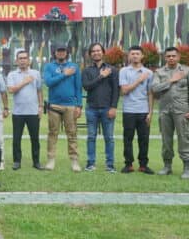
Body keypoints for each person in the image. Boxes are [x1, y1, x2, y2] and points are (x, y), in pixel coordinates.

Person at [43, 44, 83, 172]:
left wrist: (79, 105)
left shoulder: (74, 67)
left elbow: (78, 87)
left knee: (72, 134)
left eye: (63, 51)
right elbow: (48, 82)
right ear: (54, 53)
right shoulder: (49, 67)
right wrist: (64, 74)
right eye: (58, 51)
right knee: (52, 133)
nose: (61, 53)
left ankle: (74, 161)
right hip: (54, 105)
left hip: (70, 106)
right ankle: (50, 160)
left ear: (67, 53)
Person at [151, 46, 189, 179]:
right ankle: (167, 166)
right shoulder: (159, 72)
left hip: (182, 111)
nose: (171, 58)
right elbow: (155, 88)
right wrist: (171, 80)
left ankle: (187, 167)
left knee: (184, 138)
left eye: (173, 56)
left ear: (178, 57)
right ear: (165, 57)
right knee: (166, 139)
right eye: (168, 56)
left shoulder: (186, 71)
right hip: (165, 111)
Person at [81, 42, 119, 173]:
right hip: (91, 109)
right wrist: (101, 76)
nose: (96, 53)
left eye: (98, 50)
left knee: (109, 137)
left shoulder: (112, 70)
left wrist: (113, 107)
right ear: (90, 54)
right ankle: (90, 163)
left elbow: (116, 90)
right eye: (93, 51)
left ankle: (110, 164)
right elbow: (86, 86)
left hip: (107, 108)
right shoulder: (86, 70)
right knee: (91, 137)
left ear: (103, 52)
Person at [118, 45, 154, 174]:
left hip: (143, 110)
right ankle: (128, 164)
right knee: (128, 138)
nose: (135, 56)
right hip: (129, 110)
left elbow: (150, 93)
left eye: (137, 54)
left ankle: (143, 165)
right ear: (129, 56)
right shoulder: (124, 71)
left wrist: (150, 112)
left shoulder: (149, 73)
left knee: (144, 138)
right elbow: (124, 90)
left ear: (142, 56)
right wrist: (139, 80)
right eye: (132, 53)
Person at [6, 50, 43, 170]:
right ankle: (17, 161)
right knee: (16, 138)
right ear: (16, 61)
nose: (22, 60)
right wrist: (24, 82)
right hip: (18, 113)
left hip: (33, 112)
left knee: (35, 138)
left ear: (29, 60)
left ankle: (36, 161)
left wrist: (41, 106)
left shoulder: (36, 73)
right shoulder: (12, 74)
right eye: (20, 58)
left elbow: (39, 91)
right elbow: (11, 90)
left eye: (25, 58)